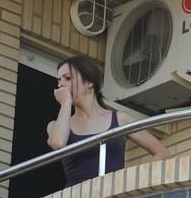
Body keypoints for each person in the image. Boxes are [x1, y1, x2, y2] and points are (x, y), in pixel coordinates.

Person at [47, 55, 168, 187]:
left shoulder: (120, 119)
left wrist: (132, 182)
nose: (60, 84)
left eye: (68, 78)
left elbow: (161, 153)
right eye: (59, 80)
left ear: (89, 82)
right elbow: (57, 143)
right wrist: (66, 104)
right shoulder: (56, 125)